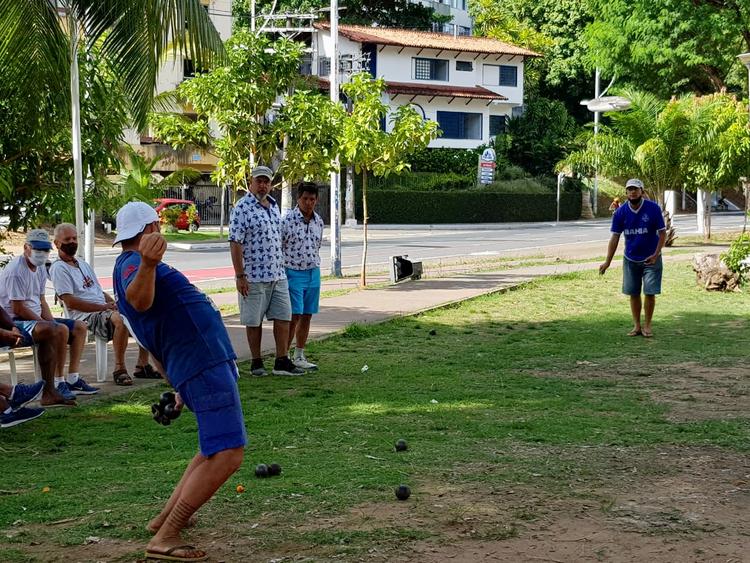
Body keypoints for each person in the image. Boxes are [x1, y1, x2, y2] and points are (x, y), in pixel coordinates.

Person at [112, 202, 245, 562]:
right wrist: (150, 263)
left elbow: (149, 337)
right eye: (157, 224)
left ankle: (164, 522)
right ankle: (167, 536)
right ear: (151, 227)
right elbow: (140, 304)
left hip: (197, 362)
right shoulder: (132, 264)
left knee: (212, 448)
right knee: (229, 451)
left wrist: (177, 385)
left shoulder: (132, 264)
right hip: (201, 359)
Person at [49, 223, 157, 386]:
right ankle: (119, 368)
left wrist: (113, 303)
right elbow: (70, 301)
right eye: (67, 239)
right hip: (85, 316)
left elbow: (98, 292)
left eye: (74, 238)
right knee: (120, 319)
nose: (72, 242)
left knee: (142, 309)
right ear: (57, 243)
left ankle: (142, 365)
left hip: (103, 310)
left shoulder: (82, 264)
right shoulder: (59, 268)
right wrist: (104, 307)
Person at [229, 165, 303, 376]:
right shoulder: (242, 208)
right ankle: (256, 361)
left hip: (277, 274)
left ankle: (281, 360)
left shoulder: (273, 205)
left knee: (284, 317)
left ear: (271, 184)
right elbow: (235, 243)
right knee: (254, 320)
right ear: (251, 182)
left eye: (266, 182)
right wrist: (240, 275)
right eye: (259, 181)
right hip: (253, 276)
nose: (262, 185)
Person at [0, 229, 88, 404]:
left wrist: (50, 321)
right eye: (38, 250)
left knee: (78, 326)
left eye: (45, 250)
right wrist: (48, 324)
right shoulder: (16, 271)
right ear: (26, 248)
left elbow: (42, 300)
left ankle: (67, 381)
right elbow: (18, 308)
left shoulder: (40, 268)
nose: (42, 254)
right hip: (14, 321)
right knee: (56, 329)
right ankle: (56, 384)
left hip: (34, 318)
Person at [599, 178, 666, 338]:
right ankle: (637, 326)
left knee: (650, 293)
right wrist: (607, 262)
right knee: (633, 293)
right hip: (630, 258)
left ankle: (647, 326)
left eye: (635, 189)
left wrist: (656, 254)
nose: (632, 192)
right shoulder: (620, 212)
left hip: (651, 258)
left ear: (642, 191)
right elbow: (615, 237)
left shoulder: (653, 209)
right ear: (626, 193)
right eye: (629, 189)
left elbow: (662, 233)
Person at [282, 182, 324, 371]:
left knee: (307, 314)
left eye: (312, 199)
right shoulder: (287, 220)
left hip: (313, 271)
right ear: (298, 199)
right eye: (305, 199)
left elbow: (318, 245)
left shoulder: (319, 221)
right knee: (294, 315)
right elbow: (279, 247)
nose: (308, 203)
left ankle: (299, 354)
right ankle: (283, 356)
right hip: (292, 272)